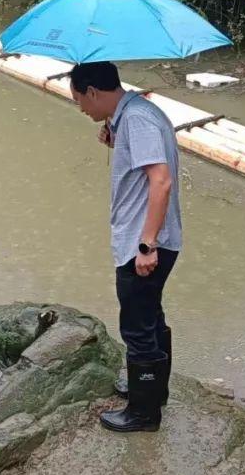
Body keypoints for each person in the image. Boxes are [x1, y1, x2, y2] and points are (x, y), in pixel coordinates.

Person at [69, 61, 182, 433]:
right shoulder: (134, 114)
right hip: (148, 241)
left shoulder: (137, 119)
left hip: (144, 243)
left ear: (93, 92)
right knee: (150, 317)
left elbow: (160, 182)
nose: (81, 109)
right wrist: (116, 139)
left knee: (136, 326)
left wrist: (146, 245)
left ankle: (143, 413)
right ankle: (151, 391)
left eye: (80, 101)